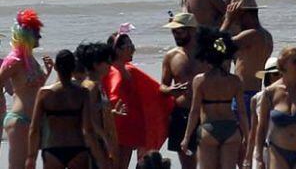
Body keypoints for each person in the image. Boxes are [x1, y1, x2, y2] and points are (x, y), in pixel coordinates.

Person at [103, 25, 173, 169]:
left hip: (131, 125)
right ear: (117, 50)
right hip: (116, 125)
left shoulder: (129, 69)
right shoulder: (109, 71)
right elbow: (111, 97)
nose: (133, 49)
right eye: (129, 46)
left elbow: (153, 90)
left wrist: (171, 97)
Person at [181, 28, 247, 169]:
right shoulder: (235, 81)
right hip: (231, 129)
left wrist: (186, 137)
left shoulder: (200, 80)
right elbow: (241, 112)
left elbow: (194, 111)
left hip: (208, 129)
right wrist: (247, 135)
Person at [0, 10, 52, 169]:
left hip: (34, 120)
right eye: (36, 33)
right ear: (26, 35)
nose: (40, 37)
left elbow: (37, 88)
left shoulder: (31, 59)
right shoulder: (14, 60)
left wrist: (47, 72)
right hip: (19, 120)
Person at [25, 50, 94, 169]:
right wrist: (97, 153)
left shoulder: (44, 93)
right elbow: (87, 128)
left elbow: (34, 128)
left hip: (53, 148)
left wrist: (31, 157)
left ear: (56, 67)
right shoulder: (82, 93)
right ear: (73, 69)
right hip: (77, 147)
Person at [160, 13, 205, 169]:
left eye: (179, 31)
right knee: (188, 165)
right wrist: (170, 90)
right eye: (173, 32)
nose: (175, 35)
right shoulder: (171, 56)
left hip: (207, 113)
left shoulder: (207, 53)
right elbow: (163, 86)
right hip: (182, 114)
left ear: (192, 30)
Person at [220, 0, 273, 125]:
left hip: (244, 95)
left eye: (236, 16)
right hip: (257, 91)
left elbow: (215, 44)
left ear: (242, 14)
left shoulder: (250, 35)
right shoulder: (266, 35)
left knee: (242, 139)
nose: (236, 21)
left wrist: (228, 20)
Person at [76, 42, 119, 169]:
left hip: (101, 141)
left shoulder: (98, 85)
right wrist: (105, 140)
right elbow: (88, 119)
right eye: (107, 62)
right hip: (94, 144)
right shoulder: (91, 86)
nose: (110, 65)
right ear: (96, 64)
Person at [244, 57, 281, 168]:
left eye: (281, 74)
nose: (278, 77)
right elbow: (254, 130)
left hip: (284, 150)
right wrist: (248, 157)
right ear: (268, 77)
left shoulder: (291, 98)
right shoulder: (257, 99)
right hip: (263, 149)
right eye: (275, 74)